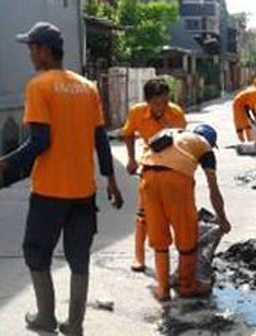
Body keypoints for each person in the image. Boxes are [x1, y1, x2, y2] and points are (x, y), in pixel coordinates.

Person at [0, 22, 123, 335]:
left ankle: (46, 318)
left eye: (31, 48)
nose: (29, 54)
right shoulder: (87, 86)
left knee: (36, 251)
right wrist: (110, 178)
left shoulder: (39, 86)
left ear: (43, 50)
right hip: (83, 190)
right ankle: (75, 325)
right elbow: (100, 139)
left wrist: (6, 164)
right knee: (78, 256)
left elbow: (41, 141)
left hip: (50, 191)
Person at [139, 125, 231, 301]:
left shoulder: (171, 133)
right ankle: (187, 285)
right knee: (187, 235)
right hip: (175, 181)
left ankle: (163, 290)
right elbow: (213, 189)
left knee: (160, 239)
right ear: (211, 142)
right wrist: (222, 219)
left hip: (147, 179)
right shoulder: (204, 146)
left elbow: (145, 160)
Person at [122, 78, 186, 272]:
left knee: (177, 214)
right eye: (156, 104)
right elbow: (128, 134)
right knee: (143, 215)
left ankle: (182, 258)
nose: (161, 107)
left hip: (173, 168)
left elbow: (184, 141)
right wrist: (131, 159)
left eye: (165, 102)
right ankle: (139, 258)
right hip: (149, 167)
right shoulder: (137, 113)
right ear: (148, 102)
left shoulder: (176, 113)